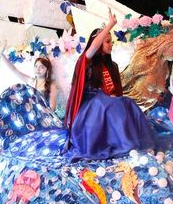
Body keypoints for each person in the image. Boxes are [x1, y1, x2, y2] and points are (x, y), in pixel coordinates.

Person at [64, 10, 155, 160]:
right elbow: (92, 47)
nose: (111, 44)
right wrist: (110, 25)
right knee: (106, 104)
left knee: (127, 102)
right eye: (107, 41)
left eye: (111, 41)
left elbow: (116, 92)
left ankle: (135, 143)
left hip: (108, 101)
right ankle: (125, 146)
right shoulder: (86, 61)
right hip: (92, 106)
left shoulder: (113, 65)